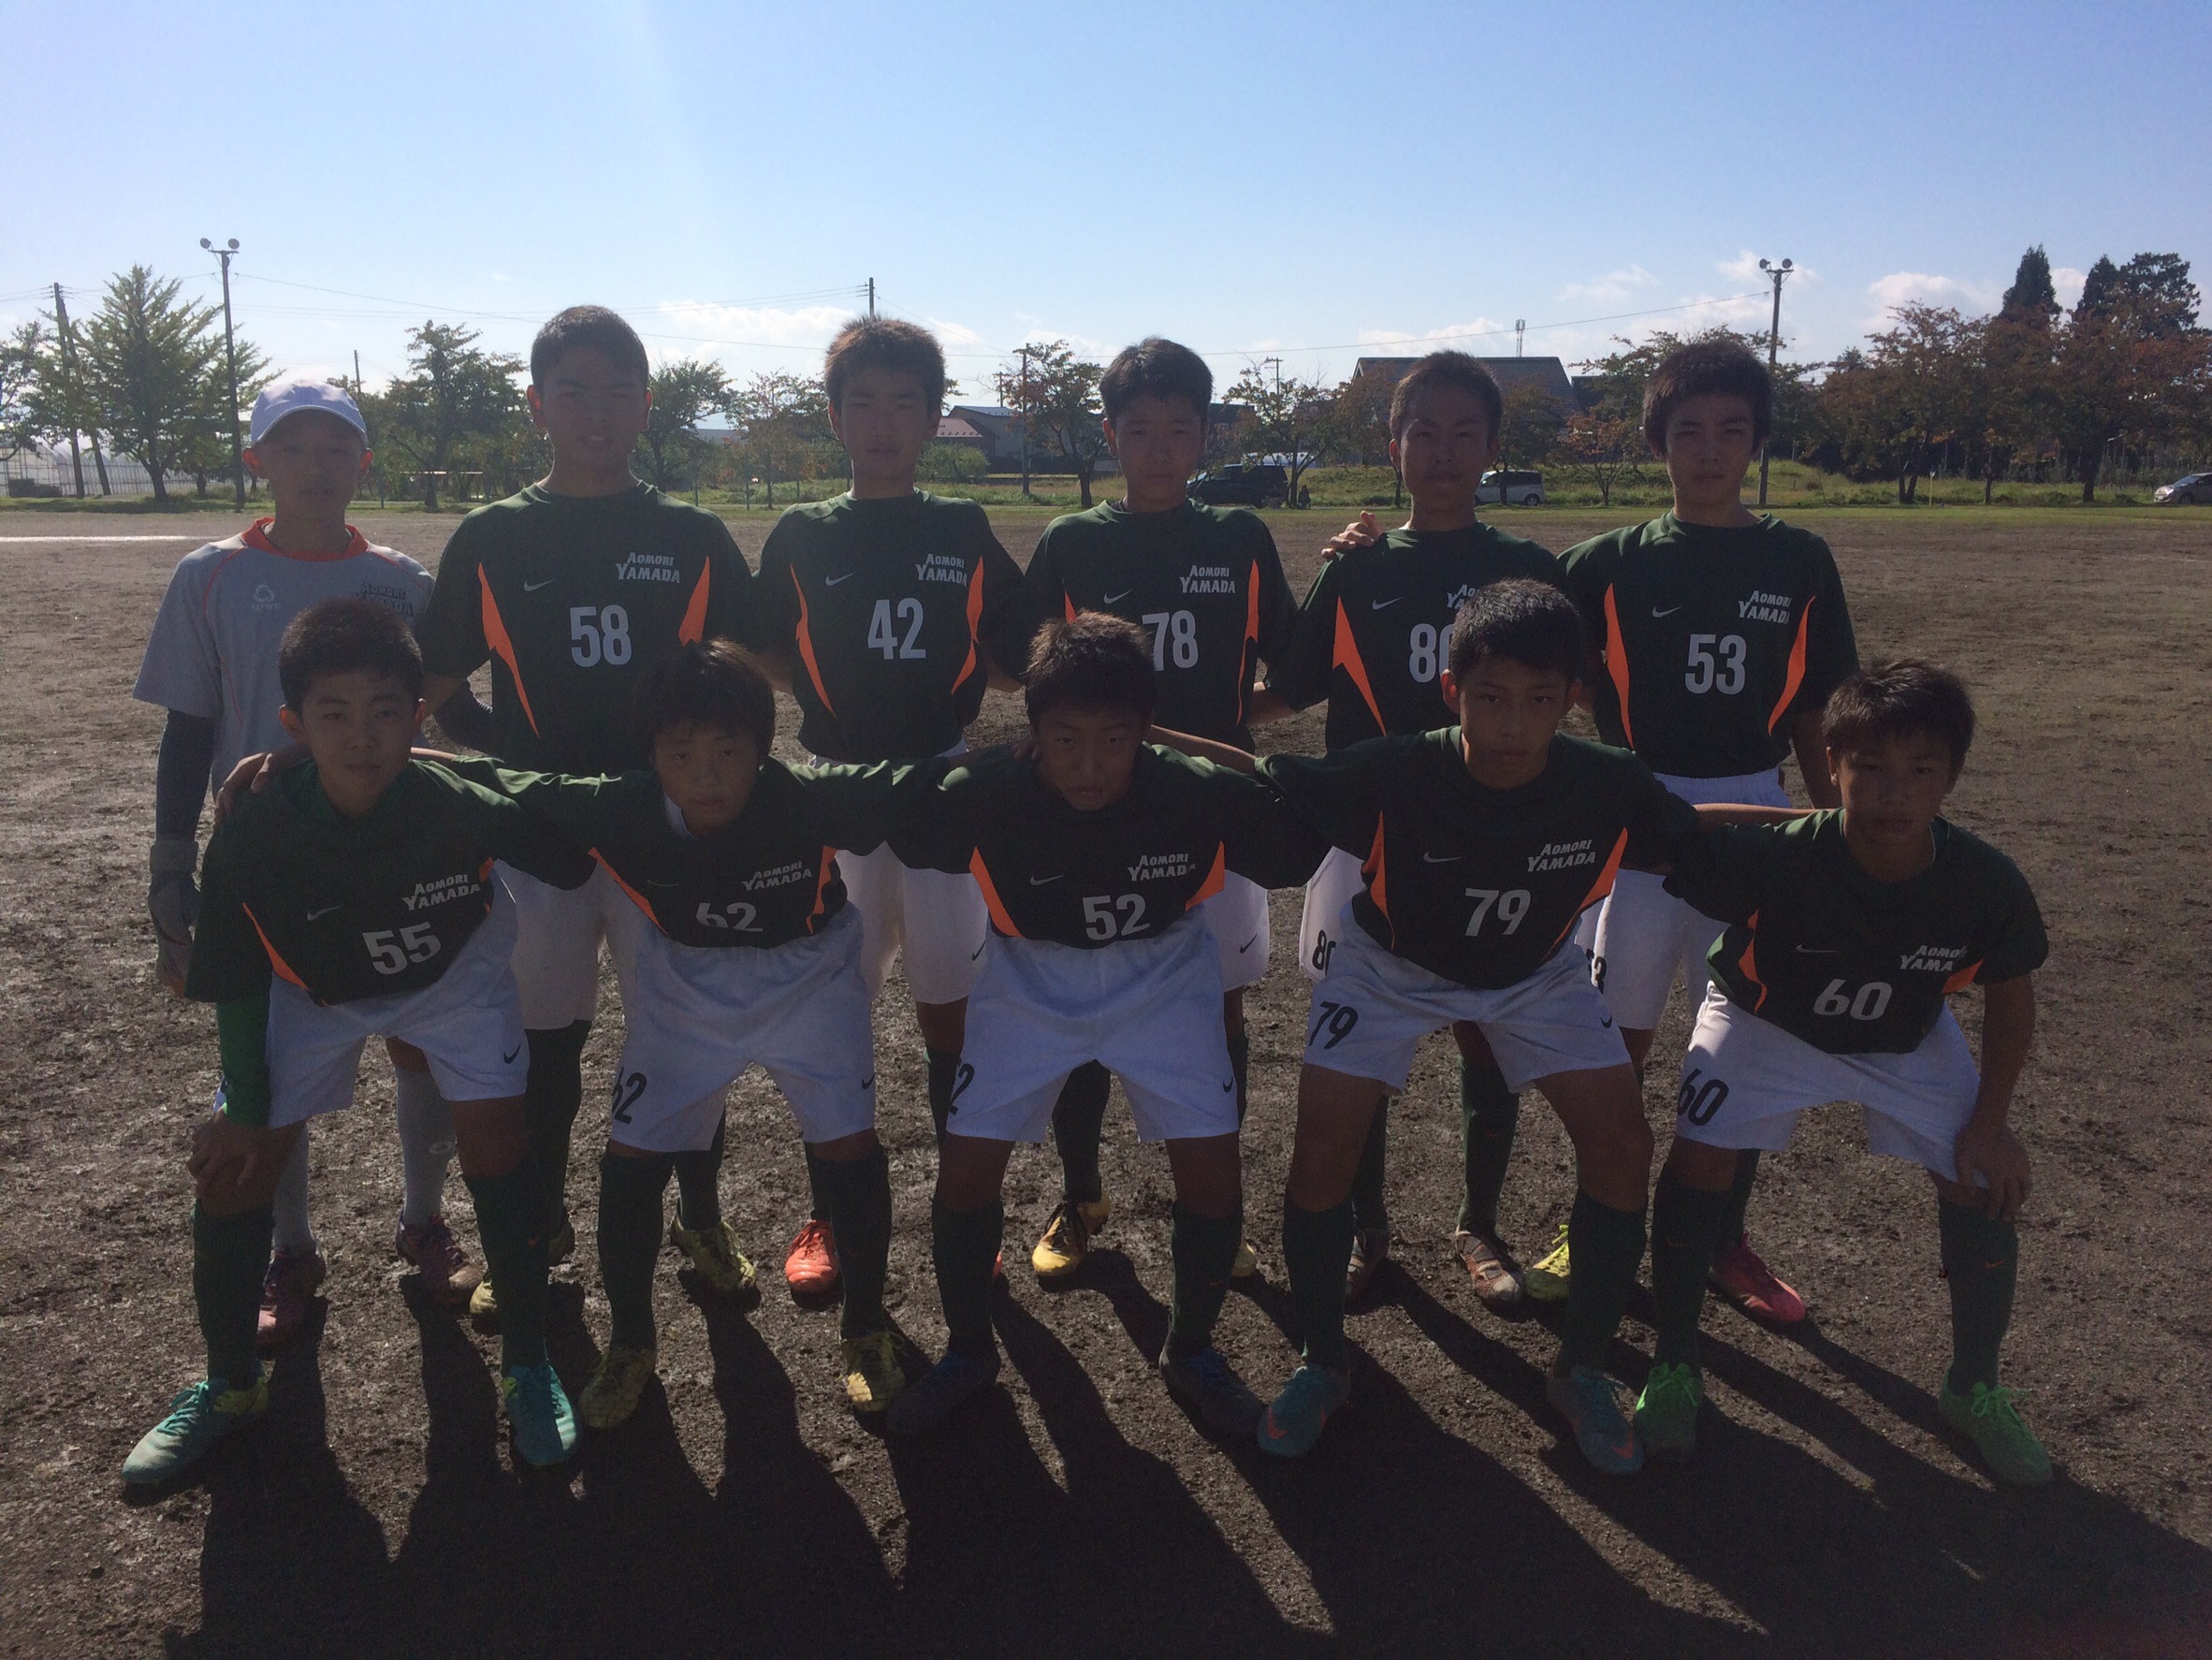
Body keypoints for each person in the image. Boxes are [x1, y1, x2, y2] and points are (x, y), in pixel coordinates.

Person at [1165, 580, 1794, 1472]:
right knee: (1320, 1155)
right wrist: (1144, 736)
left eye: (1541, 701)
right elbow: (1256, 777)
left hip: (1536, 974)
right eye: (1491, 698)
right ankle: (1323, 1361)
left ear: (1573, 700)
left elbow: (1694, 834)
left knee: (1622, 1146)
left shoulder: (1606, 781)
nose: (1513, 724)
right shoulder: (1394, 767)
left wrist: (1825, 825)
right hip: (1387, 969)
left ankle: (1580, 1370)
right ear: (1451, 689)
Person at [123, 600, 596, 1483]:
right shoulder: (256, 826)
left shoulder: (456, 799)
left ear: (418, 718)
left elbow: (571, 850)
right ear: (292, 725)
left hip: (453, 978)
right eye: (333, 715)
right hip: (312, 989)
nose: (362, 737)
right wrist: (244, 1109)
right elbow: (238, 980)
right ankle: (230, 1384)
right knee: (233, 1167)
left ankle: (530, 1366)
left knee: (502, 1146)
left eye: (386, 714)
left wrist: (460, 768)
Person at [429, 640, 940, 1422]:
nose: (706, 775)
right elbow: (497, 781)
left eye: (728, 752)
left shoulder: (811, 797)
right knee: (631, 1159)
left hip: (808, 980)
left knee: (849, 1145)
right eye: (681, 753)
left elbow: (939, 781)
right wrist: (335, 759)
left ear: (762, 750)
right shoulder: (622, 804)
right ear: (651, 755)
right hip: (685, 986)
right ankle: (631, 1343)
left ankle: (866, 1327)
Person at [883, 613, 1324, 1438]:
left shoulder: (1189, 786)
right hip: (1027, 981)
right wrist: (989, 760)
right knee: (965, 1171)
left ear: (1146, 732)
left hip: (1163, 978)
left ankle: (1190, 1348)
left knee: (1213, 1174)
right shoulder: (990, 787)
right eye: (1065, 740)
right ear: (1032, 731)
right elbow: (897, 813)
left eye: (1116, 741)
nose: (1089, 766)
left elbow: (1295, 825)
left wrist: (1185, 748)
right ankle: (969, 1350)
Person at [413, 306, 760, 1325]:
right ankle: (539, 1227)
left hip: (667, 833)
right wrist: (497, 752)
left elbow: (750, 677)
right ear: (537, 405)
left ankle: (702, 1216)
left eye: (617, 392)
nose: (597, 412)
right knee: (543, 1047)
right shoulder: (493, 535)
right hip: (545, 837)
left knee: (687, 1035)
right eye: (574, 392)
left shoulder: (691, 534)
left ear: (647, 406)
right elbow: (434, 680)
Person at [133, 375, 494, 1346]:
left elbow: (449, 713)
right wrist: (170, 866)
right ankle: (290, 1249)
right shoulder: (209, 575)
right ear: (259, 460)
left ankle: (423, 1221)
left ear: (362, 461)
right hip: (271, 864)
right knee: (273, 1064)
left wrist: (538, 768)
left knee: (420, 1042)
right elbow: (187, 728)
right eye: (292, 447)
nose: (316, 466)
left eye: (336, 448)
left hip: (395, 851)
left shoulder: (402, 580)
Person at [1638, 660, 2051, 1484]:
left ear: (1951, 776)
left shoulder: (1983, 880)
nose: (1894, 793)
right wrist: (1796, 817)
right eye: (1870, 768)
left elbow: (2012, 998)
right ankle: (1675, 1362)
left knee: (1982, 1179)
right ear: (1832, 765)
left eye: (1920, 771)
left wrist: (1992, 1122)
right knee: (1699, 1153)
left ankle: (1973, 1388)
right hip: (1764, 1021)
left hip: (1903, 1035)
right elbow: (1671, 832)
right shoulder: (1786, 853)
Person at [1548, 337, 1859, 1322]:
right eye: (1689, 431)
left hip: (1755, 819)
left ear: (1758, 439)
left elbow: (1817, 707)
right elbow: (1534, 674)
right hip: (1637, 823)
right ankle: (1594, 1219)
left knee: (1746, 1045)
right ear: (1659, 443)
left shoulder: (1799, 558)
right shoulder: (1602, 564)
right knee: (1617, 1041)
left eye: (1732, 429)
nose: (1711, 449)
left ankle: (1725, 1238)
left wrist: (1836, 827)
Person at [991, 337, 1297, 1282]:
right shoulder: (1073, 540)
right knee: (1087, 997)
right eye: (1139, 430)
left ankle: (1214, 1208)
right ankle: (1081, 1196)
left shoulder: (1239, 535)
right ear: (1110, 434)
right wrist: (1098, 739)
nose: (1159, 449)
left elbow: (1300, 666)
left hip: (1211, 810)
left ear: (1205, 435)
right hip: (1095, 810)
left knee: (1220, 1006)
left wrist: (1221, 736)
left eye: (1178, 429)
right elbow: (1023, 668)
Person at [1260, 351, 1560, 1306]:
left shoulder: (1528, 568)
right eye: (1422, 432)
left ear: (1492, 446)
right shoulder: (1357, 569)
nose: (1442, 451)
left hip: (1493, 839)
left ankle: (1478, 1223)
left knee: (1487, 1031)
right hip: (1370, 839)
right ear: (1393, 447)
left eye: (1464, 433)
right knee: (1361, 1046)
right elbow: (1292, 690)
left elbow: (1573, 694)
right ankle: (1367, 1225)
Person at [749, 315, 1024, 1298]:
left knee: (951, 1012)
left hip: (941, 788)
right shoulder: (803, 532)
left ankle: (965, 1208)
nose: (882, 422)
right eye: (862, 403)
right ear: (834, 417)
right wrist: (826, 699)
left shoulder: (960, 527)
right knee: (833, 1011)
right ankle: (828, 1213)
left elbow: (1013, 656)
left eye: (904, 403)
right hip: (837, 790)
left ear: (932, 416)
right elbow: (761, 644)